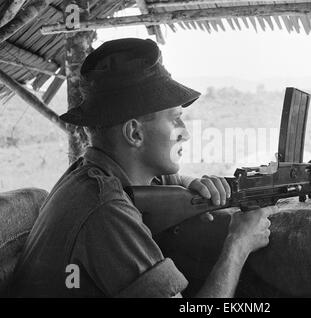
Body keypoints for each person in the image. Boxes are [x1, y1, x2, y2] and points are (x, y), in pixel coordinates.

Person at [10, 38, 277, 298]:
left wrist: (188, 183)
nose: (185, 133)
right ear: (135, 134)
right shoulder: (106, 210)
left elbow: (150, 187)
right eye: (175, 120)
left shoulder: (87, 174)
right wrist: (238, 245)